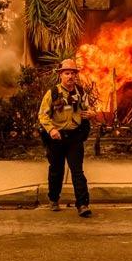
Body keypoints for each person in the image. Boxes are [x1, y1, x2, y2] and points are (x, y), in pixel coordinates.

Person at [38, 59, 96, 218]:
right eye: (67, 73)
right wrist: (51, 130)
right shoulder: (53, 93)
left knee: (77, 171)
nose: (70, 76)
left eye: (73, 73)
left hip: (74, 138)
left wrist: (91, 113)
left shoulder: (80, 92)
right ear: (61, 75)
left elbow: (87, 109)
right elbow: (43, 115)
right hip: (56, 138)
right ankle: (54, 199)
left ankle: (82, 204)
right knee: (56, 170)